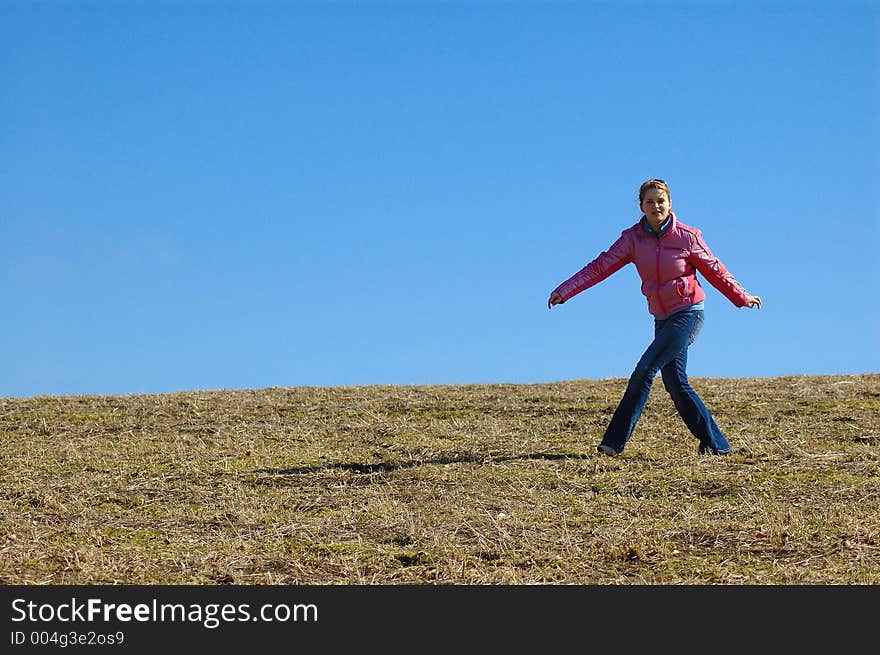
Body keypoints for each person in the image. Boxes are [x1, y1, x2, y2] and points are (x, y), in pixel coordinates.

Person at [547, 178, 762, 457]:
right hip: (662, 318)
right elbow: (601, 266)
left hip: (688, 313)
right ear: (641, 206)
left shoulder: (687, 237)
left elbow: (714, 269)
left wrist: (741, 296)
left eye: (661, 201)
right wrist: (566, 290)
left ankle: (612, 444)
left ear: (670, 204)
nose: (656, 206)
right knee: (675, 383)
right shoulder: (632, 240)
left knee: (644, 370)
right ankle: (717, 444)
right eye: (650, 201)